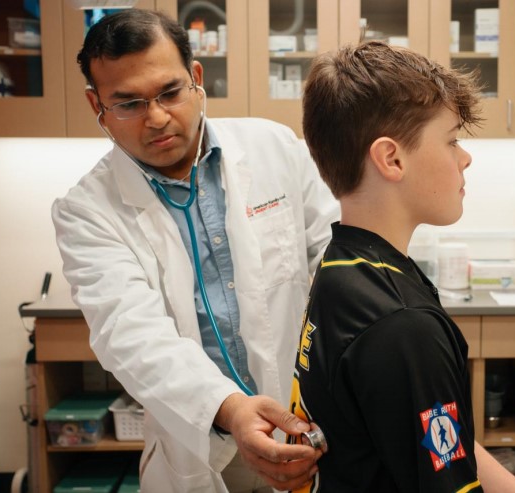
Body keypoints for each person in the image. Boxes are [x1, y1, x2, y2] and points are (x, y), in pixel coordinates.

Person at [52, 9, 338, 493]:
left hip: (307, 428)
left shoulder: (274, 149)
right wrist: (230, 408)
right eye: (128, 104)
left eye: (169, 92)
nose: (157, 117)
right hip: (202, 443)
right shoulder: (85, 210)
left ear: (196, 78)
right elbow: (133, 336)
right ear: (95, 104)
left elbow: (335, 263)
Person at [289, 41, 515, 492]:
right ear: (392, 158)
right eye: (452, 139)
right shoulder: (401, 325)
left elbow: (435, 436)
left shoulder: (345, 265)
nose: (465, 157)